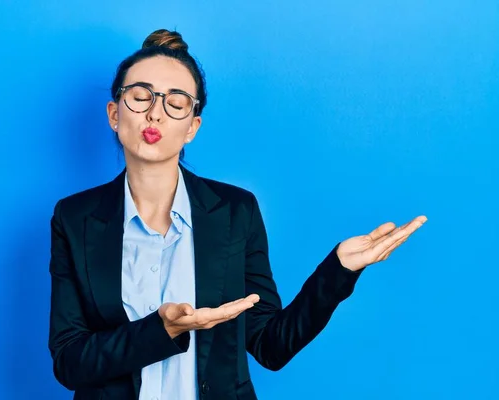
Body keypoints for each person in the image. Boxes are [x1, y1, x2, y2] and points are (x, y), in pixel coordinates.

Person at [48, 29, 427, 400]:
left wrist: (338, 271)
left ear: (192, 126)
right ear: (115, 114)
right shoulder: (74, 218)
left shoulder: (235, 211)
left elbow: (270, 345)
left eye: (175, 103)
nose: (155, 115)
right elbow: (69, 362)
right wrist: (160, 330)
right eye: (140, 97)